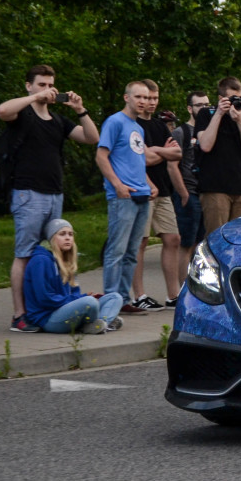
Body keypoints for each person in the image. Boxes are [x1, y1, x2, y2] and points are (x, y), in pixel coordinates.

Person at [0, 64, 99, 333]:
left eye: (50, 85)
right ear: (28, 85)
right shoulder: (22, 114)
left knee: (58, 251)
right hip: (28, 193)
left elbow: (91, 137)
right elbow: (2, 111)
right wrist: (34, 99)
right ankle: (20, 315)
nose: (47, 90)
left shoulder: (58, 121)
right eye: (41, 84)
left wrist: (79, 110)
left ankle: (57, 308)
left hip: (55, 193)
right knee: (25, 253)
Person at [95, 81, 154, 316]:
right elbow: (101, 156)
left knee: (132, 251)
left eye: (146, 98)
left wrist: (150, 185)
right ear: (126, 97)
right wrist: (117, 185)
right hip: (123, 196)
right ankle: (110, 298)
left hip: (141, 195)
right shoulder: (115, 122)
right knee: (116, 250)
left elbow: (136, 160)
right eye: (138, 96)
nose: (142, 101)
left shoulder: (138, 128)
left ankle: (123, 298)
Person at [130, 80, 180, 312]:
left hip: (164, 190)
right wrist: (163, 152)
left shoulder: (160, 126)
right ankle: (139, 295)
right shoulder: (132, 124)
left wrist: (156, 151)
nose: (150, 102)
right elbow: (143, 159)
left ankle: (174, 295)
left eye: (155, 98)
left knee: (173, 239)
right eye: (147, 98)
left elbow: (176, 153)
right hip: (142, 190)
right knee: (141, 241)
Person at [23, 219, 123, 334]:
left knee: (115, 297)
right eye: (62, 234)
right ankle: (104, 321)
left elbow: (74, 292)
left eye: (70, 234)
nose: (68, 238)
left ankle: (99, 324)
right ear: (51, 238)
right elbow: (45, 298)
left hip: (65, 309)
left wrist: (80, 298)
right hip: (48, 318)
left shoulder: (67, 259)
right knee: (90, 302)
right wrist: (81, 299)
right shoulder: (40, 260)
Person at [194, 76, 241, 235]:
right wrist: (219, 114)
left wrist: (240, 120)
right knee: (216, 238)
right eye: (232, 98)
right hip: (215, 188)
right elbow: (206, 145)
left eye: (240, 98)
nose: (237, 101)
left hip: (239, 187)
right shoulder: (206, 114)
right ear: (221, 99)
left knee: (238, 238)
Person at [170, 92, 209, 284]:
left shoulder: (210, 131)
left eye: (207, 104)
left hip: (207, 193)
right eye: (199, 105)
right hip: (189, 193)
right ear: (189, 108)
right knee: (185, 244)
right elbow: (172, 165)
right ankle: (183, 290)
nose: (203, 108)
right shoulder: (181, 132)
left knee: (200, 245)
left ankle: (198, 287)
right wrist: (183, 193)